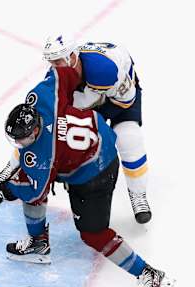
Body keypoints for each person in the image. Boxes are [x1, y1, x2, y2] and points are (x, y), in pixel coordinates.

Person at [0, 66, 174, 287]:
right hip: (96, 137)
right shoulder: (42, 98)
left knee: (94, 234)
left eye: (22, 139)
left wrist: (5, 190)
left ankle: (150, 274)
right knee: (27, 177)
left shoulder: (43, 156)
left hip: (97, 174)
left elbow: (35, 192)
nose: (18, 143)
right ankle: (39, 243)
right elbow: (62, 73)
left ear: (35, 131)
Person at [42, 35, 151, 224]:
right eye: (52, 62)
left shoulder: (105, 70)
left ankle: (138, 194)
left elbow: (126, 101)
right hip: (91, 99)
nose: (55, 67)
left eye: (58, 61)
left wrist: (95, 120)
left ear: (73, 57)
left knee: (129, 139)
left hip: (118, 99)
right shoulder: (55, 79)